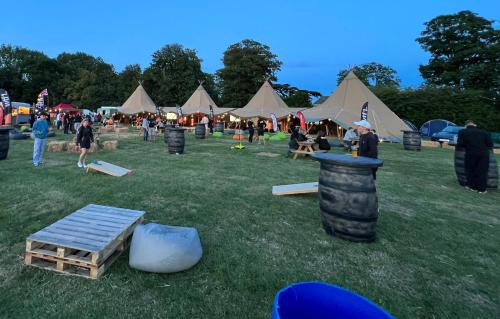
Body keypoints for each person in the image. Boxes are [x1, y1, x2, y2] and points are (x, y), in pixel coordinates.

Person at [456, 120, 493, 194]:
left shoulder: (462, 131)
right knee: (482, 171)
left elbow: (460, 144)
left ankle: (472, 187)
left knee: (470, 170)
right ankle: (482, 189)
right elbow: (490, 144)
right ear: (475, 125)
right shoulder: (484, 132)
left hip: (470, 153)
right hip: (484, 154)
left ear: (466, 125)